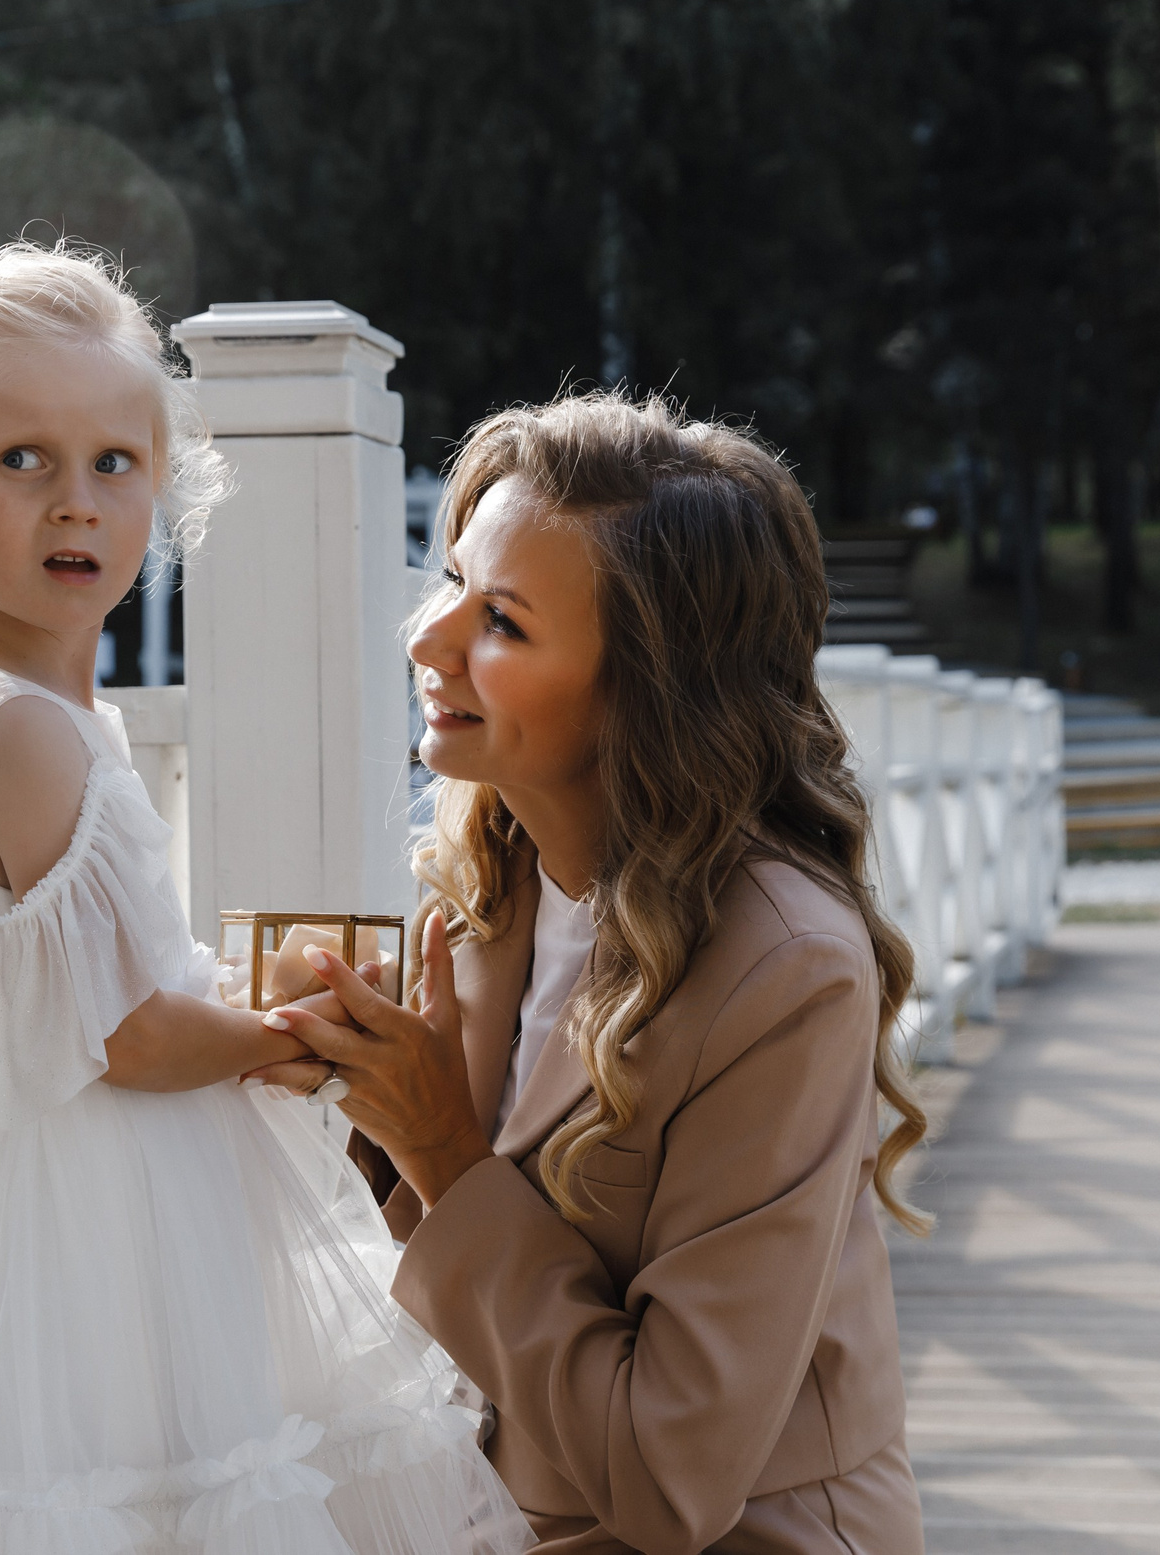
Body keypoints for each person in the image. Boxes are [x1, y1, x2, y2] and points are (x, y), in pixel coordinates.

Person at [0, 242, 529, 1555]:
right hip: (72, 1229)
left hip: (30, 1186)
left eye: (114, 463)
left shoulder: (9, 711)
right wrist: (292, 1040)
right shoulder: (28, 735)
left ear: (161, 492)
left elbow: (67, 983)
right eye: (22, 460)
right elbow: (127, 1036)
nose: (76, 502)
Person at [255, 396, 931, 1553]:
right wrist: (340, 1106)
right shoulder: (489, 882)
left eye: (503, 623)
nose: (429, 640)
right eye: (453, 583)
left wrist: (440, 1148)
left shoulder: (787, 973)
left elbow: (673, 1476)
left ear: (648, 691)